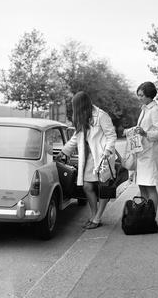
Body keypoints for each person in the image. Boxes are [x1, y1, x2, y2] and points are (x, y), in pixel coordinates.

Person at [58, 91, 117, 229]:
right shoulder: (81, 118)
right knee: (87, 186)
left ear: (81, 105)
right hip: (89, 157)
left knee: (104, 188)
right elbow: (75, 139)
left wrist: (107, 152)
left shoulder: (101, 115)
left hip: (103, 157)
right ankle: (94, 214)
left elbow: (111, 135)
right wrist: (63, 152)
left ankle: (97, 218)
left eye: (75, 106)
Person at [124, 81, 158, 213]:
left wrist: (145, 133)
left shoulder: (155, 110)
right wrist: (131, 131)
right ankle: (143, 215)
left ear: (149, 95)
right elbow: (141, 128)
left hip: (150, 154)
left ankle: (151, 217)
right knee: (142, 186)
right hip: (141, 153)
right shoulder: (144, 109)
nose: (139, 98)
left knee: (150, 187)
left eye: (142, 95)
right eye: (138, 95)